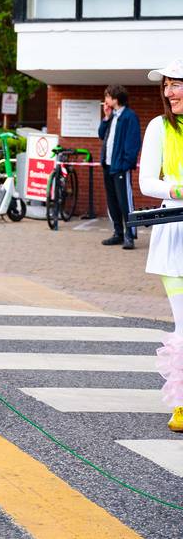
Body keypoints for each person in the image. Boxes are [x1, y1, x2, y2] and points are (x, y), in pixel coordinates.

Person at [137, 60, 183, 433]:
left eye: (178, 83)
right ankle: (182, 403)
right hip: (175, 234)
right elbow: (146, 182)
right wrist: (177, 189)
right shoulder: (158, 127)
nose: (170, 92)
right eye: (167, 85)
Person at [99, 84, 141, 250]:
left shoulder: (129, 116)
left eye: (107, 97)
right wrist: (106, 118)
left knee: (125, 202)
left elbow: (133, 143)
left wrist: (125, 164)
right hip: (108, 166)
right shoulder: (113, 116)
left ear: (115, 99)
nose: (105, 100)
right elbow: (101, 135)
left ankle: (129, 235)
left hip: (120, 167)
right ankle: (118, 233)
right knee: (112, 201)